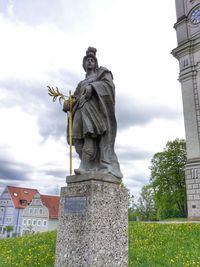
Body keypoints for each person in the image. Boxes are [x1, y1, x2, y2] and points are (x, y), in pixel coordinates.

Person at [63, 47, 122, 178]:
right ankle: (87, 163)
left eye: (92, 60)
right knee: (77, 138)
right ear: (83, 65)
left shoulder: (101, 74)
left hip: (93, 111)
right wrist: (68, 103)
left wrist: (93, 87)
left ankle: (84, 166)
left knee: (89, 135)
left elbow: (109, 87)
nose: (89, 62)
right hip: (79, 109)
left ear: (95, 63)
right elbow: (76, 96)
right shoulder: (81, 83)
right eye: (87, 60)